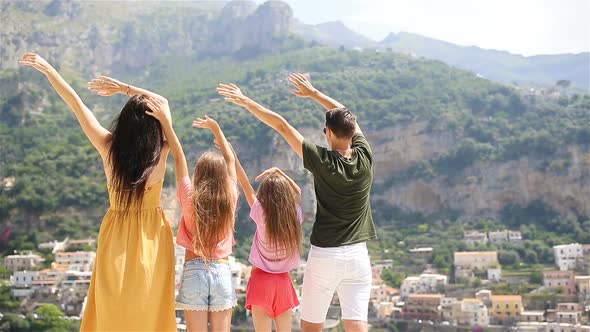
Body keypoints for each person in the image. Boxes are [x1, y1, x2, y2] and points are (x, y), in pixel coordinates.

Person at [20, 54, 176, 331]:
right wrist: (125, 88)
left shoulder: (108, 148)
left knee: (110, 301)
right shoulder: (161, 152)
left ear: (124, 124)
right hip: (152, 237)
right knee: (148, 304)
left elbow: (76, 104)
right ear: (154, 127)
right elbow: (162, 102)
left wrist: (49, 71)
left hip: (115, 233)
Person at [217, 74, 376, 332]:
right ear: (352, 132)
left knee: (311, 326)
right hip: (359, 255)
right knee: (357, 325)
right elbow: (349, 118)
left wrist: (246, 101)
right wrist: (315, 94)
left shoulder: (323, 161)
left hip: (326, 253)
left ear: (330, 132)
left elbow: (281, 125)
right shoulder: (365, 156)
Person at [170, 111, 239, 331]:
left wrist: (166, 124)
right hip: (221, 270)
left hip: (193, 271)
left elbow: (179, 158)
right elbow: (230, 159)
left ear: (198, 174)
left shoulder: (190, 198)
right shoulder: (230, 197)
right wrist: (216, 129)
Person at [231, 139, 303, 331]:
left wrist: (232, 155)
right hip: (283, 283)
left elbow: (245, 183)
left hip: (261, 282)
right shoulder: (294, 216)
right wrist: (279, 172)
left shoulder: (261, 214)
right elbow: (298, 192)